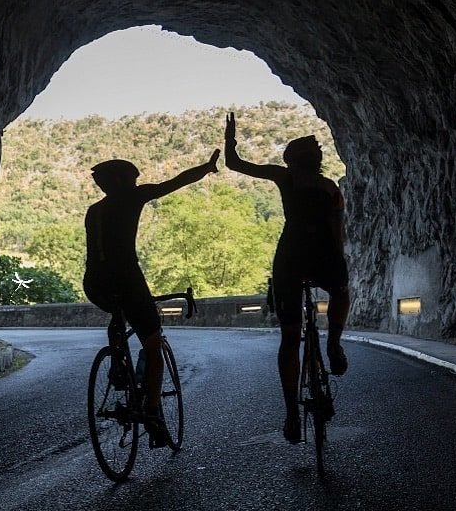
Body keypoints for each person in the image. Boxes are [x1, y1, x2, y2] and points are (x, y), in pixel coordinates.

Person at [223, 112, 350, 444]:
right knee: (341, 291)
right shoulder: (331, 188)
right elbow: (337, 236)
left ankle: (292, 414)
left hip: (290, 259)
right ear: (318, 160)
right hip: (324, 255)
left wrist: (230, 140)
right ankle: (334, 344)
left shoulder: (284, 177)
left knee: (290, 338)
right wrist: (337, 266)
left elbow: (236, 164)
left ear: (290, 160)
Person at [83, 150, 219, 447]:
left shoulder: (93, 211)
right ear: (120, 181)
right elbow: (175, 182)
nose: (136, 183)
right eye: (132, 179)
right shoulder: (131, 197)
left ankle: (118, 363)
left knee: (117, 314)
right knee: (153, 341)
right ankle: (153, 412)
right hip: (126, 278)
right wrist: (207, 167)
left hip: (94, 283)